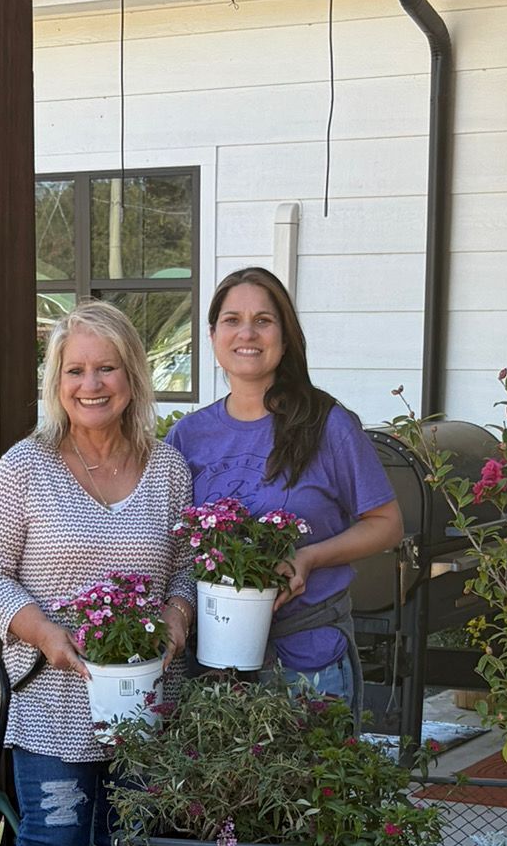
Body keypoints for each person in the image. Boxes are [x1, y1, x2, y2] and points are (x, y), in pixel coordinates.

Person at [0, 301, 194, 846]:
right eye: (75, 371)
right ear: (56, 382)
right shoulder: (27, 466)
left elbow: (189, 567)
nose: (90, 385)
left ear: (133, 378)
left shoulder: (167, 469)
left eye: (107, 368)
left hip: (142, 705)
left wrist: (176, 615)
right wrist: (45, 633)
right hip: (52, 699)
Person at [169, 267, 404, 703]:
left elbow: (387, 523)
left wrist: (309, 557)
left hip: (308, 660)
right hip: (215, 671)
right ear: (212, 334)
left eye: (263, 320)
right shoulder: (188, 436)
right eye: (232, 320)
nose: (248, 333)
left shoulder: (327, 424)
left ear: (285, 334)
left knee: (316, 775)